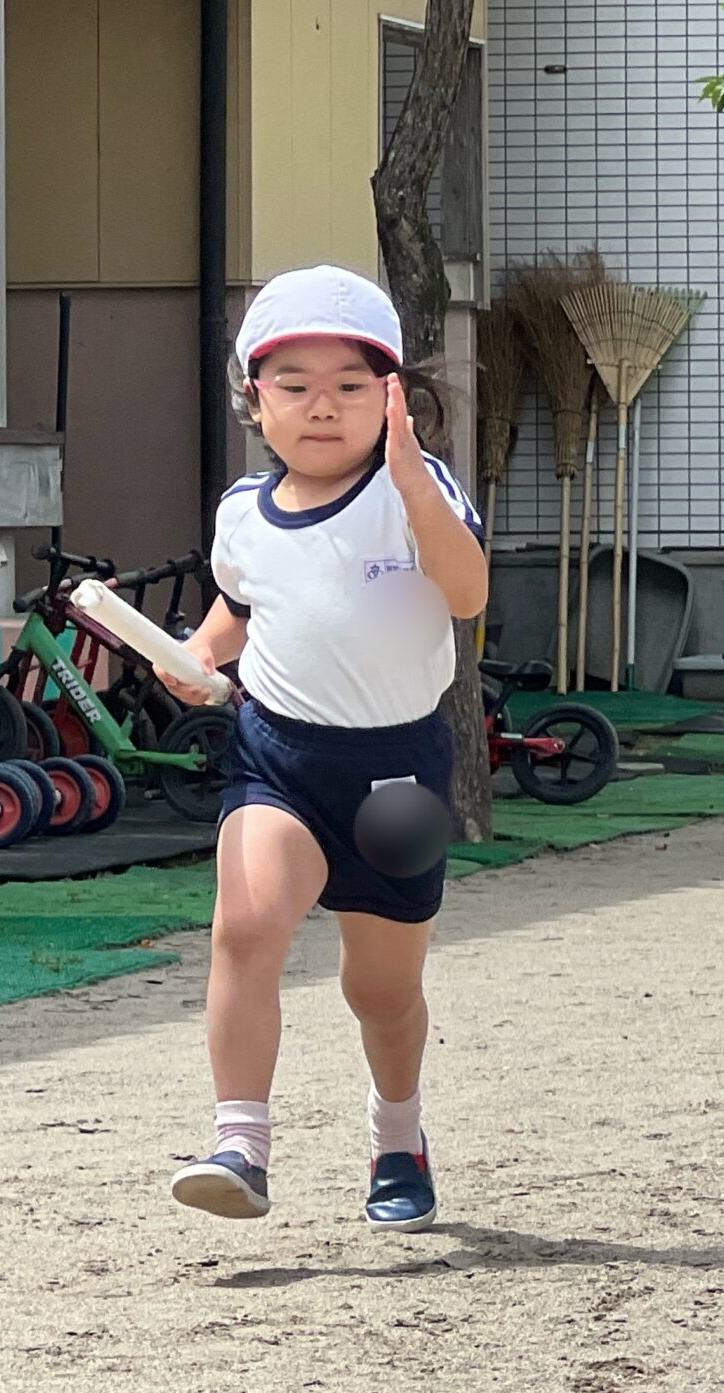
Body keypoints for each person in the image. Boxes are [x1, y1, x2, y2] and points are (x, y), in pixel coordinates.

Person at [160, 266, 487, 1230]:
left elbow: (467, 594)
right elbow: (242, 606)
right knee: (245, 928)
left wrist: (413, 486)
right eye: (294, 384)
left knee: (381, 991)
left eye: (351, 384)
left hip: (401, 777)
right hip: (280, 761)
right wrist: (199, 653)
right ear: (253, 397)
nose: (322, 406)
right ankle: (240, 1146)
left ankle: (398, 1134)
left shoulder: (418, 491)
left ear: (394, 398)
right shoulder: (242, 513)